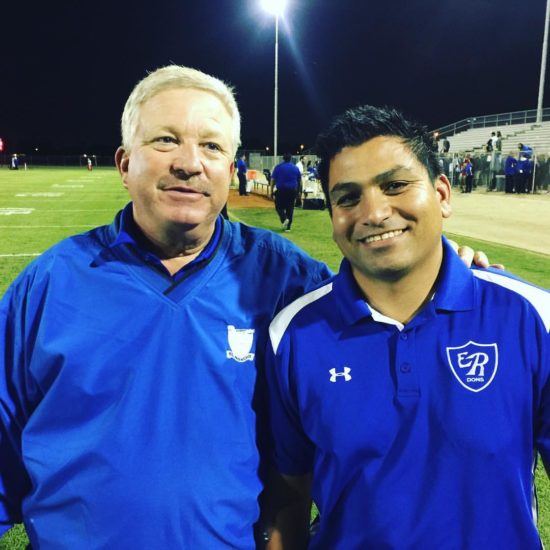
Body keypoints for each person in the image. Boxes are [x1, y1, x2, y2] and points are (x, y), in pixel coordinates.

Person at [0, 65, 332, 549]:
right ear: (123, 163)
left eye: (212, 146)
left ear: (231, 167)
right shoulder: (49, 284)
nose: (190, 163)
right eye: (165, 141)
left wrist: (438, 272)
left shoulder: (288, 280)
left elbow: (383, 350)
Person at [264, 105, 550, 549]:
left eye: (395, 185)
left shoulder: (531, 316)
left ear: (442, 194)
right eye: (348, 197)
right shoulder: (293, 335)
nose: (373, 213)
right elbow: (290, 498)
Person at [270, 153, 301, 232]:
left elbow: (273, 180)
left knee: (279, 207)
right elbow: (299, 181)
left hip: (281, 190)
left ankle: (284, 219)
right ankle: (288, 227)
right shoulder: (295, 168)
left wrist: (271, 190)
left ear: (283, 158)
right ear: (291, 159)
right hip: (292, 191)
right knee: (290, 208)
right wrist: (299, 191)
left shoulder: (278, 167)